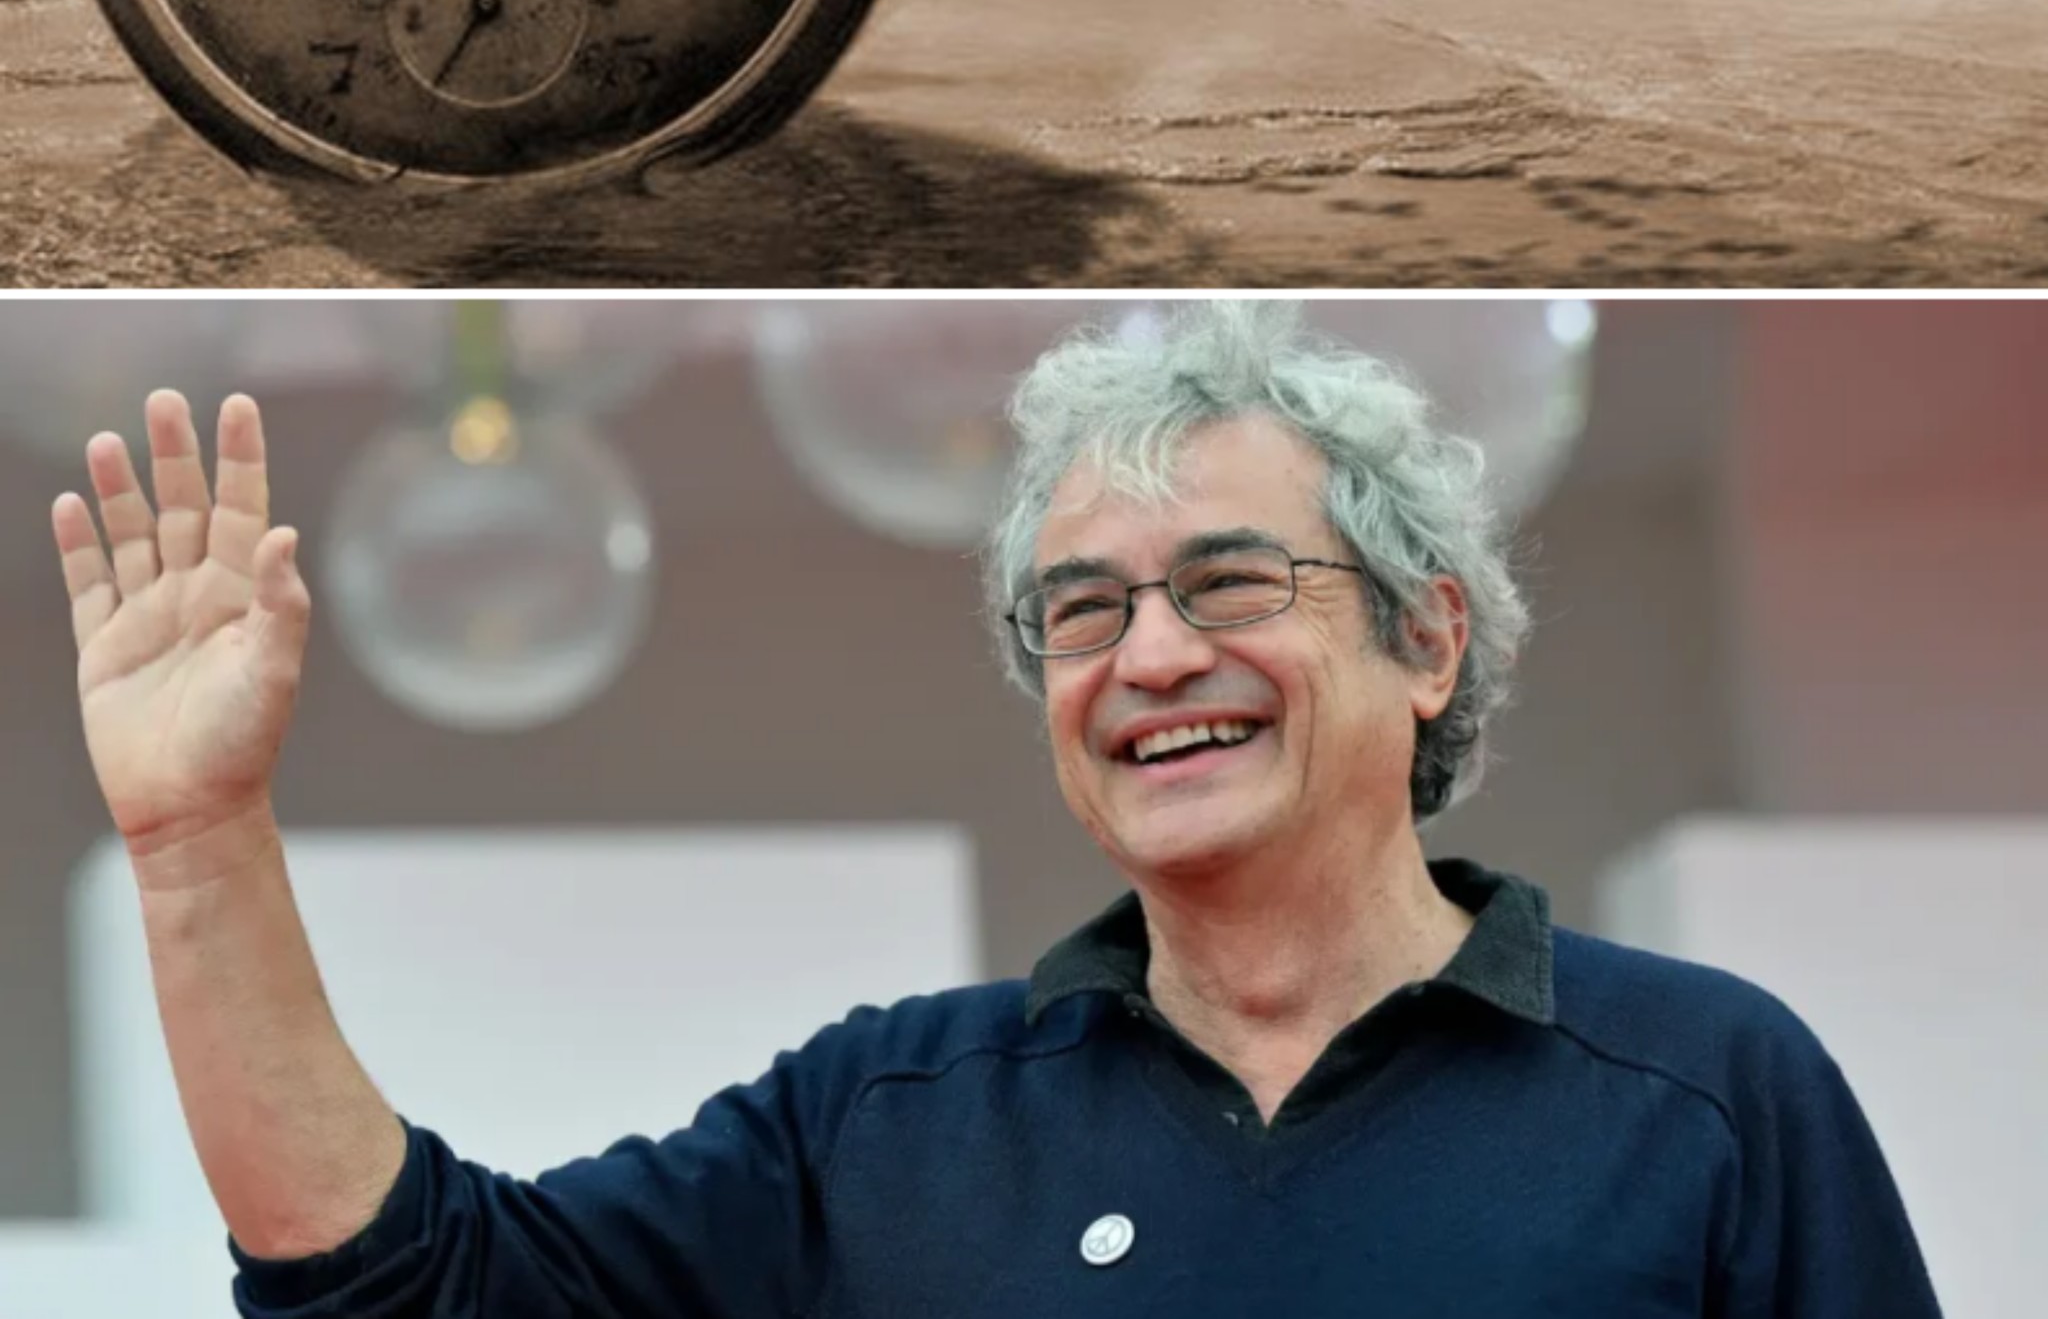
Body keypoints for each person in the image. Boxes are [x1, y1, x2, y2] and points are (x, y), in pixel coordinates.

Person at [52, 300, 1944, 1319]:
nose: (1147, 656)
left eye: (1227, 583)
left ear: (1425, 638)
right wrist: (197, 837)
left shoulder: (1708, 1091)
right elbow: (414, 1295)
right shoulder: (888, 1124)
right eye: (1084, 610)